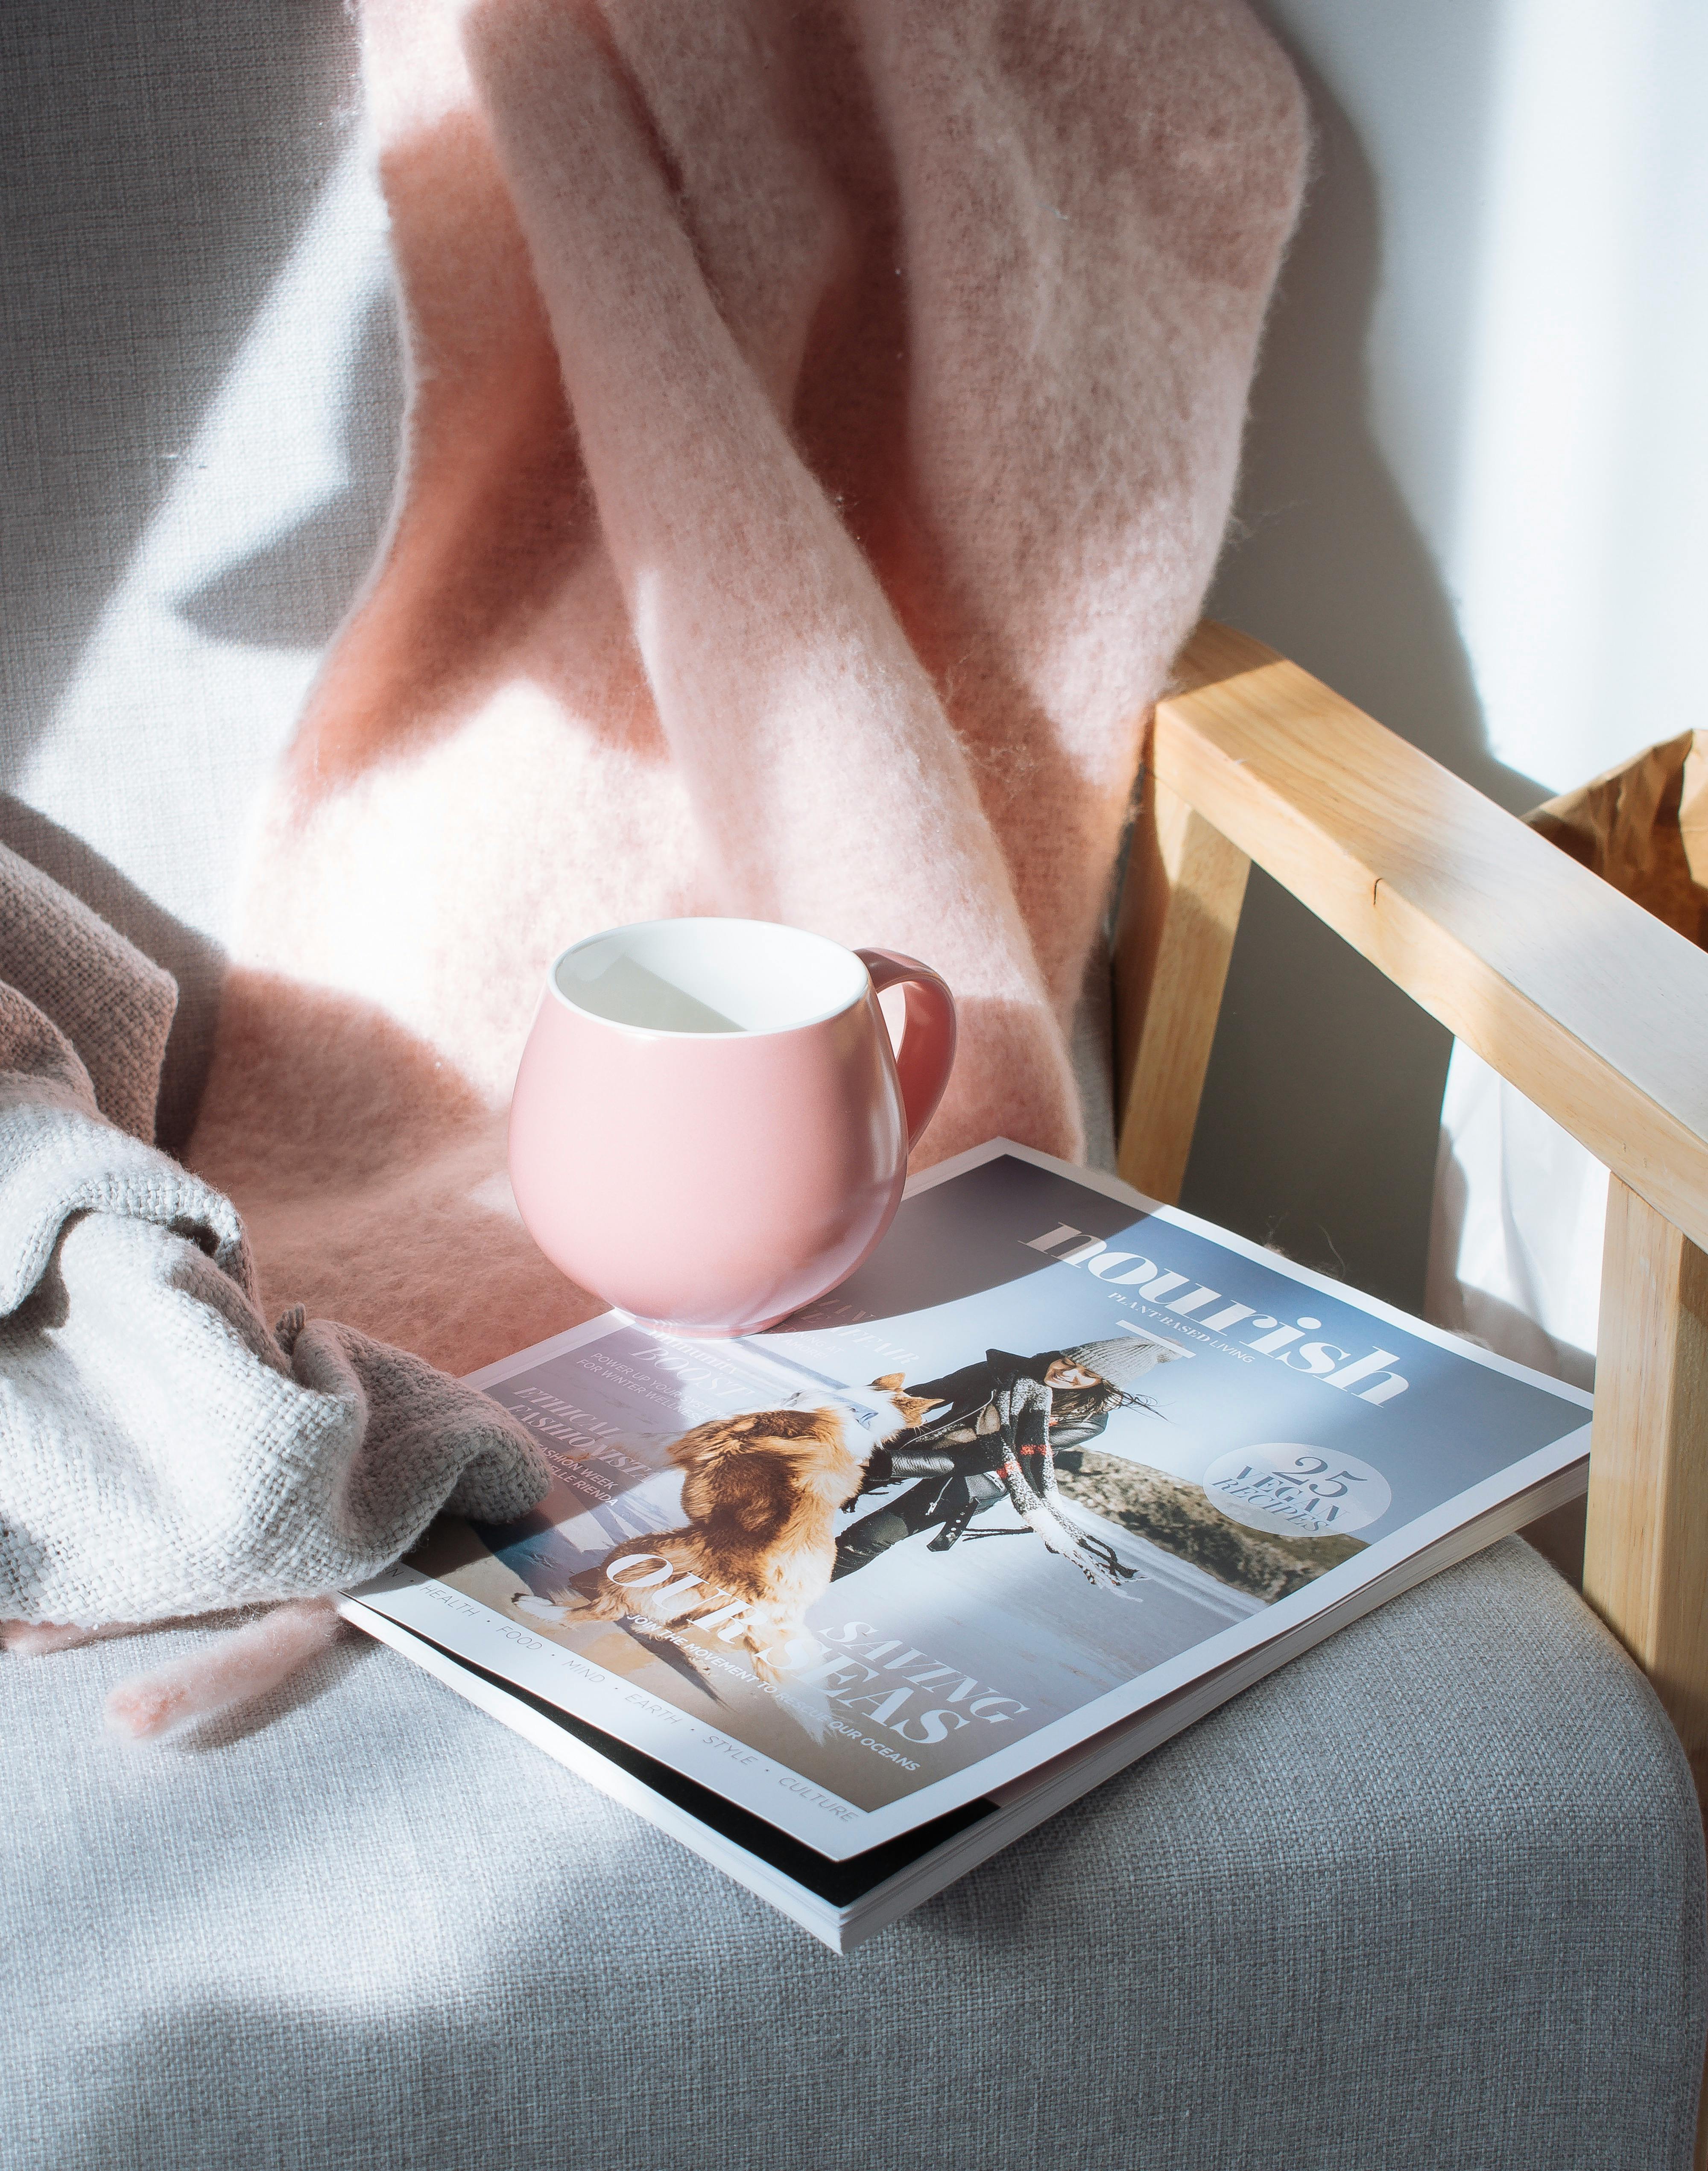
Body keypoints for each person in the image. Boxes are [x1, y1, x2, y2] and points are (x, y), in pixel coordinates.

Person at [831, 1336, 1180, 1588]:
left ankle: (786, 1593)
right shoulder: (1002, 1372)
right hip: (923, 1444)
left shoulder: (1085, 1421)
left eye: (1085, 1374)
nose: (1066, 1374)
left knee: (870, 1537)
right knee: (809, 1492)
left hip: (983, 1476)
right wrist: (852, 1419)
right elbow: (926, 1395)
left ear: (1103, 1385)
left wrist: (892, 1465)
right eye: (1068, 1362)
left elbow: (982, 1458)